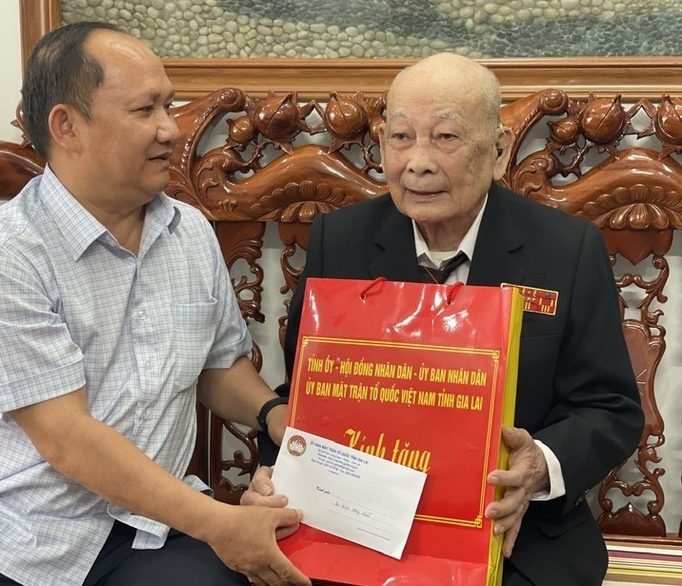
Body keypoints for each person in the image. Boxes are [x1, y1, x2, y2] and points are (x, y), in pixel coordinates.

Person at [0, 21, 309, 586]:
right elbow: (69, 439)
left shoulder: (188, 231)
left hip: (156, 529)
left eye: (170, 105)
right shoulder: (2, 259)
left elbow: (218, 364)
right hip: (15, 534)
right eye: (145, 111)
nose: (172, 129)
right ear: (67, 126)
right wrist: (221, 523)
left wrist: (276, 416)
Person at [243, 53, 644, 585]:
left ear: (498, 149)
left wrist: (538, 465)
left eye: (447, 138)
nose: (418, 163)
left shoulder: (564, 250)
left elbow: (609, 408)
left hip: (515, 533)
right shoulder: (340, 242)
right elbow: (308, 393)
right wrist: (277, 477)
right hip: (355, 525)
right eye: (402, 138)